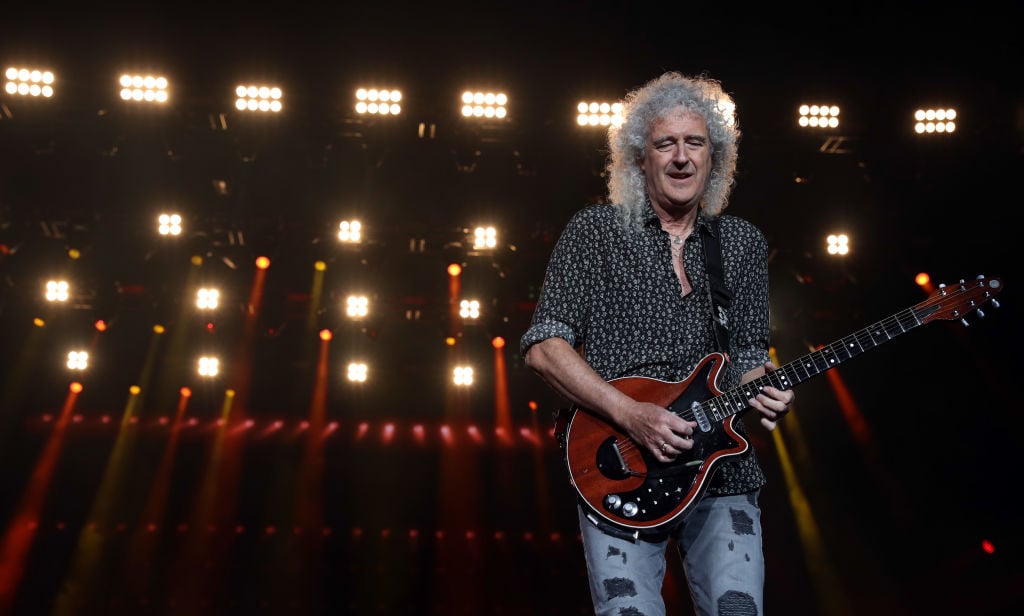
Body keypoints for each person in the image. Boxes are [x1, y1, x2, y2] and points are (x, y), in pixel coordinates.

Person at [520, 70, 795, 615]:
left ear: (714, 158)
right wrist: (631, 414)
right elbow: (544, 345)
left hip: (720, 470)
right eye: (665, 143)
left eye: (695, 143)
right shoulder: (596, 232)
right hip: (619, 464)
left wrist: (765, 388)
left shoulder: (740, 243)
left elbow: (746, 357)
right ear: (638, 157)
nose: (681, 157)